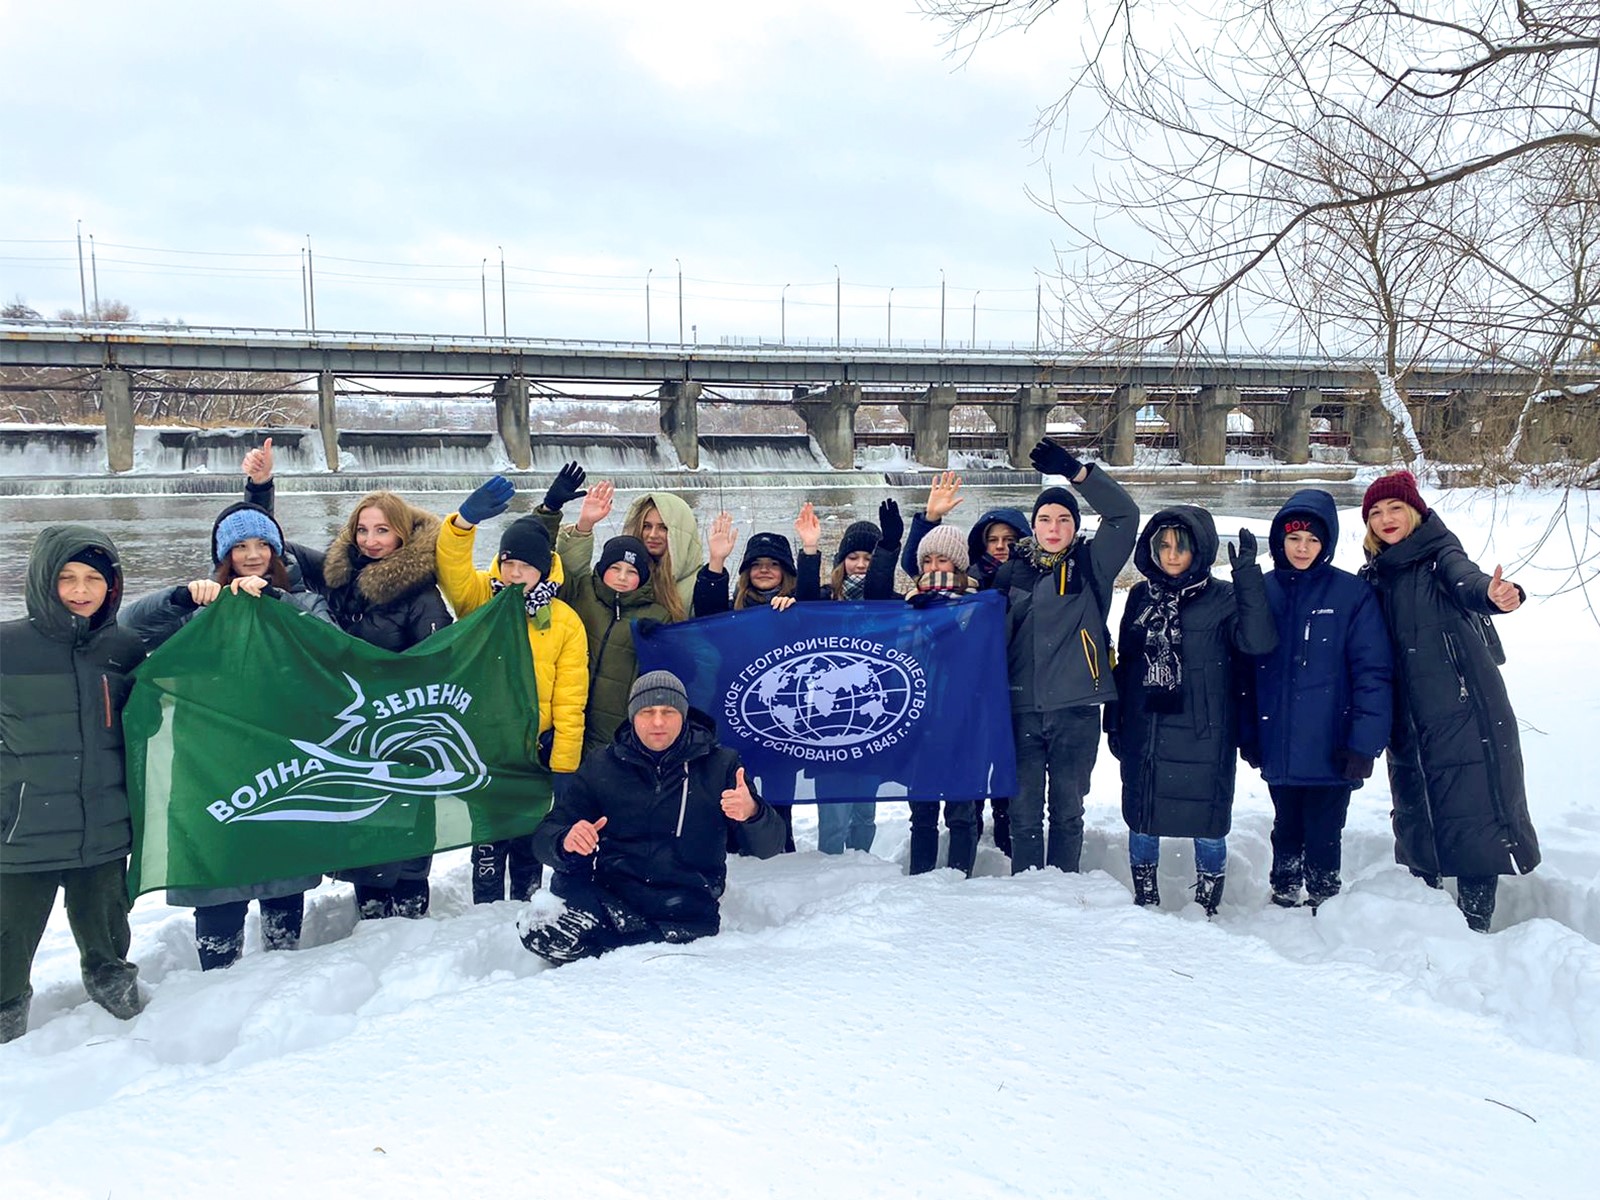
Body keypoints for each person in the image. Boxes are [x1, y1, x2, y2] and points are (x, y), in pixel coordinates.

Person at [122, 500, 330, 970]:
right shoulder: (201, 606)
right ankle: (216, 972)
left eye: (262, 545)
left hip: (283, 755)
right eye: (239, 546)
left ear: (276, 551)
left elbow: (331, 646)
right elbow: (127, 629)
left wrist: (280, 602)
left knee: (284, 867)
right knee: (215, 865)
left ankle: (284, 961)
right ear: (224, 555)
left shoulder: (304, 599)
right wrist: (177, 596)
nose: (252, 555)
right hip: (209, 761)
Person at [1358, 471, 1538, 932]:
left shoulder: (1440, 557)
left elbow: (1470, 582)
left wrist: (1496, 595)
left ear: (1415, 511)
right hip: (1408, 718)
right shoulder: (1375, 574)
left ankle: (1476, 923)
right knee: (1419, 810)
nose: (1385, 519)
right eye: (1376, 512)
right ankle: (1431, 923)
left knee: (1474, 811)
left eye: (1395, 508)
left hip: (1463, 711)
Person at [522, 671, 787, 964]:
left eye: (668, 712)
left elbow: (769, 846)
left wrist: (752, 813)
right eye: (648, 712)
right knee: (537, 922)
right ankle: (634, 951)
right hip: (614, 903)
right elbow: (546, 834)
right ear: (633, 716)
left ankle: (626, 955)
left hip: (685, 910)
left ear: (683, 716)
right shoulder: (602, 764)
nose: (658, 722)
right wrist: (565, 840)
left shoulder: (720, 765)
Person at [1, 527, 147, 1042]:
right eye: (67, 578)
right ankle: (6, 1020)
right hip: (21, 833)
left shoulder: (124, 649)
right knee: (7, 942)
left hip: (103, 829)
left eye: (94, 579)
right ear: (43, 580)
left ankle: (116, 996)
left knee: (108, 931)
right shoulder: (7, 647)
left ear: (113, 587)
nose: (81, 590)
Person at [1109, 508, 1276, 914]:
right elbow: (1128, 663)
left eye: (1180, 547)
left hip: (1205, 728)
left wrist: (1248, 580)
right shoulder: (1140, 596)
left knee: (1208, 819)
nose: (1170, 555)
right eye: (1163, 546)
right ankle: (1145, 894)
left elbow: (1258, 642)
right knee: (1143, 814)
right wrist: (1116, 721)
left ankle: (1206, 900)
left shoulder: (1223, 598)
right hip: (1147, 724)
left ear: (1198, 550)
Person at [435, 475, 588, 904]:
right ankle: (485, 906)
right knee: (488, 839)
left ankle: (525, 900)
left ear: (544, 567)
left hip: (537, 750)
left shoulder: (564, 621)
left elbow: (571, 700)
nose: (515, 573)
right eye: (508, 563)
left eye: (524, 565)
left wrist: (564, 765)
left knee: (529, 838)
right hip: (487, 749)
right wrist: (462, 525)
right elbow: (451, 571)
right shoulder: (481, 600)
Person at [995, 438, 1140, 874]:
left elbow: (1125, 515)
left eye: (1062, 519)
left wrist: (1078, 475)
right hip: (1021, 708)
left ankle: (1061, 886)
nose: (1053, 527)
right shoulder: (1009, 572)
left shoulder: (1091, 564)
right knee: (1022, 814)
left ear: (1074, 527)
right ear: (1033, 527)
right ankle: (1026, 885)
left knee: (1067, 810)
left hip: (1075, 709)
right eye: (1044, 519)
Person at [1245, 490, 1392, 910]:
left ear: (1325, 544)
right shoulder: (1265, 590)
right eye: (1294, 539)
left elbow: (1373, 673)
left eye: (1312, 540)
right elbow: (1245, 672)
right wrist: (1250, 731)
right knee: (1286, 823)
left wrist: (1364, 743)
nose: (1303, 548)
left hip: (1333, 743)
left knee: (1326, 827)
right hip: (1279, 738)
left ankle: (1325, 895)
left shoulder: (1351, 594)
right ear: (1280, 541)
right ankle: (1284, 888)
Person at [317, 490, 453, 920]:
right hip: (355, 732)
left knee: (407, 824)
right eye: (362, 530)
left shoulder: (421, 594)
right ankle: (370, 913)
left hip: (404, 733)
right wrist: (259, 489)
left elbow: (439, 664)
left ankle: (410, 916)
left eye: (382, 530)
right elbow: (267, 551)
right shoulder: (340, 579)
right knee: (363, 823)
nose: (370, 540)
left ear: (401, 534)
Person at [869, 517, 982, 875]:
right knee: (922, 810)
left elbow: (971, 656)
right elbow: (898, 658)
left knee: (962, 811)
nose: (934, 568)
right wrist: (917, 618)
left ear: (958, 565)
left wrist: (937, 622)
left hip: (964, 725)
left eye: (942, 560)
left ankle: (961, 876)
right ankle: (920, 875)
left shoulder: (978, 605)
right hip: (921, 724)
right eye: (927, 561)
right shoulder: (909, 607)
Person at [794, 511, 882, 854]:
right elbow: (803, 602)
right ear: (841, 560)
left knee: (865, 812)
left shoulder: (888, 603)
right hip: (829, 719)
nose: (860, 564)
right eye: (853, 557)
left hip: (874, 719)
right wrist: (810, 548)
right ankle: (831, 873)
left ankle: (864, 866)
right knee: (833, 814)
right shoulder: (824, 598)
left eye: (868, 558)